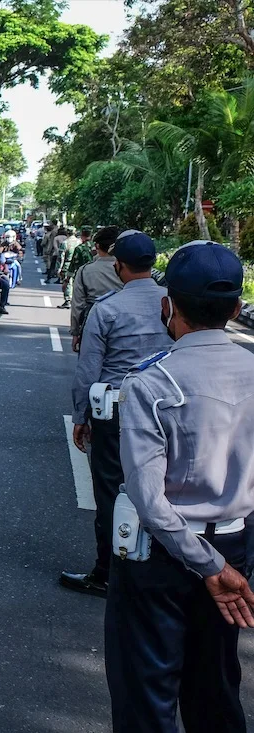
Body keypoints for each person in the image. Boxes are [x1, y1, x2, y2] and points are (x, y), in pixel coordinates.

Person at [106, 241, 254, 733]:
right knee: (215, 688)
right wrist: (224, 561)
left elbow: (149, 500)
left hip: (160, 557)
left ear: (168, 306)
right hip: (236, 546)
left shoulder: (151, 383)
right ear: (236, 307)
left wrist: (207, 566)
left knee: (146, 698)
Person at [61, 230, 172, 598]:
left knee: (110, 491)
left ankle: (107, 572)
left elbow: (88, 369)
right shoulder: (173, 304)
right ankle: (160, 567)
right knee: (162, 488)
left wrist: (80, 417)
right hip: (165, 413)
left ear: (119, 265)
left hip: (114, 412)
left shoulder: (106, 308)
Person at [69, 226, 121, 352]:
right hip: (125, 325)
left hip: (93, 325)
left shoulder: (85, 271)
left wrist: (76, 333)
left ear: (97, 246)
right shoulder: (129, 268)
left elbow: (78, 305)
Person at [56, 227, 81, 308]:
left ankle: (68, 300)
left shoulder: (65, 243)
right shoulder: (79, 242)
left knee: (67, 282)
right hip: (78, 265)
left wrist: (59, 268)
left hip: (68, 264)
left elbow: (61, 257)